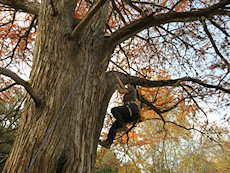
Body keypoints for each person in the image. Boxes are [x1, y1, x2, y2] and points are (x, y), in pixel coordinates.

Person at [99, 73, 140, 149]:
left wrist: (117, 86)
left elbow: (121, 91)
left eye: (128, 85)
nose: (127, 86)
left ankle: (122, 125)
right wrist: (117, 77)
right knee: (114, 126)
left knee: (114, 110)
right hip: (132, 115)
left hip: (132, 108)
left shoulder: (133, 89)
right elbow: (123, 87)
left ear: (131, 85)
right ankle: (108, 142)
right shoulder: (130, 91)